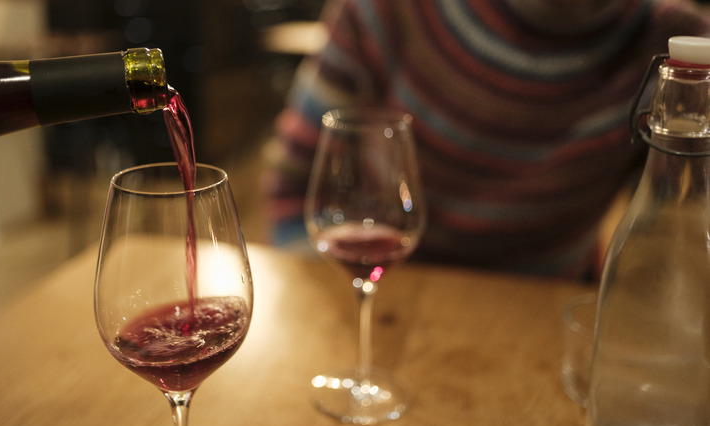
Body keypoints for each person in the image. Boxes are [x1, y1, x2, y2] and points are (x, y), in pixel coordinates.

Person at [262, 0, 710, 280]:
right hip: (392, 299)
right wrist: (349, 311)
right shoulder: (384, 12)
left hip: (547, 312)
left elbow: (679, 231)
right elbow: (292, 189)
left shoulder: (684, 52)